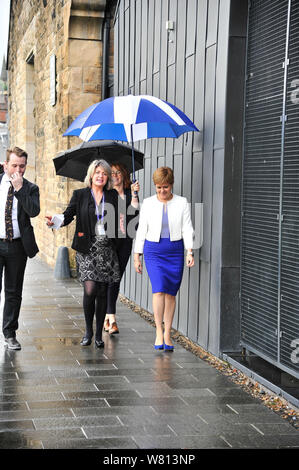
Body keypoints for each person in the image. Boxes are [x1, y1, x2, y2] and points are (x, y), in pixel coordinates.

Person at [46, 159, 122, 349]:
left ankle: (98, 335)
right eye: (97, 172)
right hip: (87, 249)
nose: (100, 176)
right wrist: (55, 221)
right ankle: (88, 331)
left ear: (107, 177)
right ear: (91, 175)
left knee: (103, 292)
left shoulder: (112, 196)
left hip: (106, 250)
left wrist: (134, 196)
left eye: (104, 173)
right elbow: (68, 214)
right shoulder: (80, 195)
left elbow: (123, 217)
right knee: (90, 290)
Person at [134, 167, 195, 351]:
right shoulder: (148, 203)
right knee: (159, 289)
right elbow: (141, 229)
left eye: (165, 187)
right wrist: (137, 255)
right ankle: (158, 331)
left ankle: (168, 333)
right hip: (153, 251)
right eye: (158, 187)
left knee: (170, 293)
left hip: (175, 251)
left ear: (171, 185)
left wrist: (189, 251)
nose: (162, 191)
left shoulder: (182, 203)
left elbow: (187, 228)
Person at [1, 147, 40, 350]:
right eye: (14, 165)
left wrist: (19, 189)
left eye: (22, 166)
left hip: (17, 246)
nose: (18, 169)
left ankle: (9, 334)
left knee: (13, 292)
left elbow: (33, 211)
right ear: (5, 164)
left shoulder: (30, 188)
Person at [104, 163, 139, 335]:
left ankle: (107, 316)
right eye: (112, 173)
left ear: (124, 174)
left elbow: (135, 218)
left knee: (116, 279)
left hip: (125, 241)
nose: (115, 175)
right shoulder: (107, 194)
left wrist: (134, 195)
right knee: (111, 278)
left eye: (118, 172)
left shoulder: (129, 194)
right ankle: (111, 318)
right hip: (110, 241)